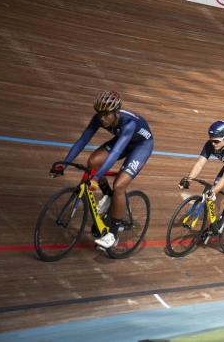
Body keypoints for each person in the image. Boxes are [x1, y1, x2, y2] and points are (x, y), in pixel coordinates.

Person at [50, 91, 154, 249]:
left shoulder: (128, 124)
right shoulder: (99, 118)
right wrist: (63, 165)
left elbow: (116, 153)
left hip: (141, 146)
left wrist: (96, 178)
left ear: (116, 113)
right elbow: (82, 140)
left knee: (119, 185)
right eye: (99, 115)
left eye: (106, 115)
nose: (102, 119)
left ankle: (112, 235)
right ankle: (108, 195)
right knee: (93, 161)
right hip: (122, 141)